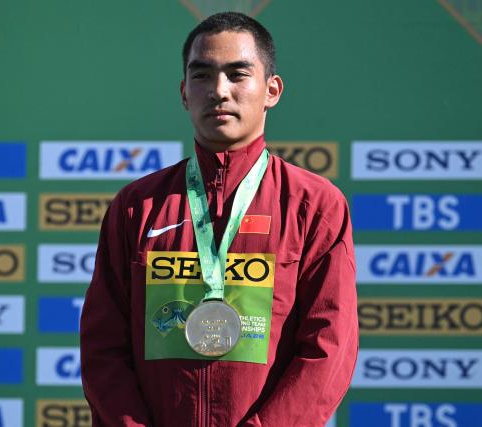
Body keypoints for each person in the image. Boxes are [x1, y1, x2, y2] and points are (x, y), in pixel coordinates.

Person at [80, 11, 358, 427]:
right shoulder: (136, 206)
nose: (219, 91)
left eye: (237, 74)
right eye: (203, 75)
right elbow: (103, 348)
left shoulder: (314, 205)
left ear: (272, 90)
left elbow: (328, 349)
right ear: (183, 92)